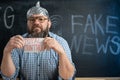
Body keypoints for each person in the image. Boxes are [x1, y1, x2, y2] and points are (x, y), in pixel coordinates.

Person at [0, 1, 75, 80]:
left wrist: (61, 53)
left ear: (49, 23)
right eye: (32, 19)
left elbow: (68, 77)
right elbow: (8, 76)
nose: (36, 22)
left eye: (41, 19)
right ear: (27, 23)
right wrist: (7, 51)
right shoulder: (17, 42)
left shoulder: (61, 42)